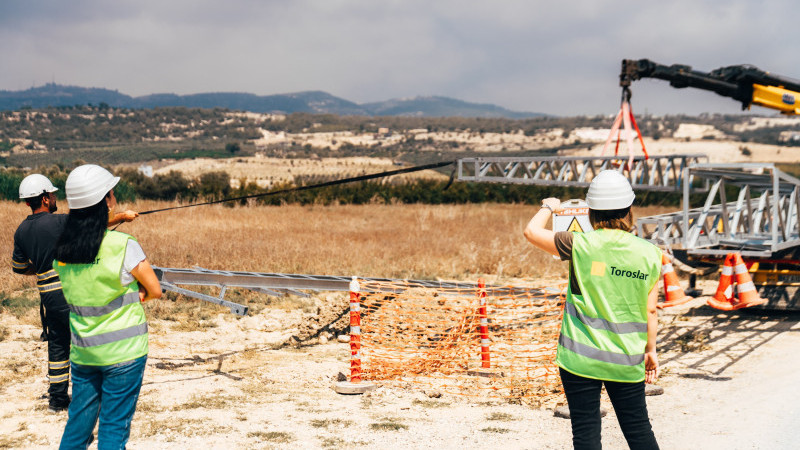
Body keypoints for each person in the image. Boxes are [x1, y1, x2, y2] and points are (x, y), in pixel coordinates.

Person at [523, 170, 661, 450]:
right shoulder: (650, 253)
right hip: (625, 358)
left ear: (591, 212)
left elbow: (531, 232)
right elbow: (651, 311)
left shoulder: (578, 244)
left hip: (579, 359)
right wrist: (650, 351)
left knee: (585, 431)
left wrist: (548, 206)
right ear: (629, 210)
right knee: (637, 429)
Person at [53, 164, 161, 449]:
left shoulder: (62, 251)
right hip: (125, 353)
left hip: (85, 353)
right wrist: (137, 297)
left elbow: (87, 234)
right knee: (113, 430)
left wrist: (119, 217)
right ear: (107, 200)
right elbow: (155, 290)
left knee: (77, 428)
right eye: (112, 194)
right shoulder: (123, 245)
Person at [12, 174, 138, 412]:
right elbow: (91, 223)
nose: (56, 197)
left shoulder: (21, 231)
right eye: (53, 194)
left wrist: (41, 268)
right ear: (46, 199)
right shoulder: (58, 222)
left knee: (58, 345)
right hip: (71, 291)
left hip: (48, 296)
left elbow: (18, 267)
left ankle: (57, 400)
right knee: (89, 339)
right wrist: (123, 216)